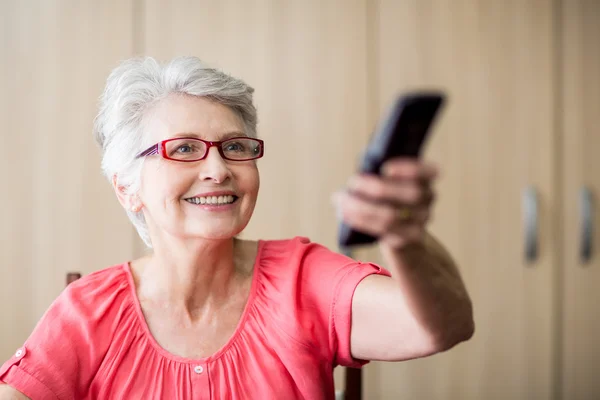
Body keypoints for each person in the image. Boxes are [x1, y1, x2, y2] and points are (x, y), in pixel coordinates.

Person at [0, 56, 474, 400]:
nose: (218, 169)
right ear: (128, 187)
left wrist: (405, 238)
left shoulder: (301, 279)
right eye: (184, 149)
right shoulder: (89, 313)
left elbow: (440, 328)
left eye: (234, 147)